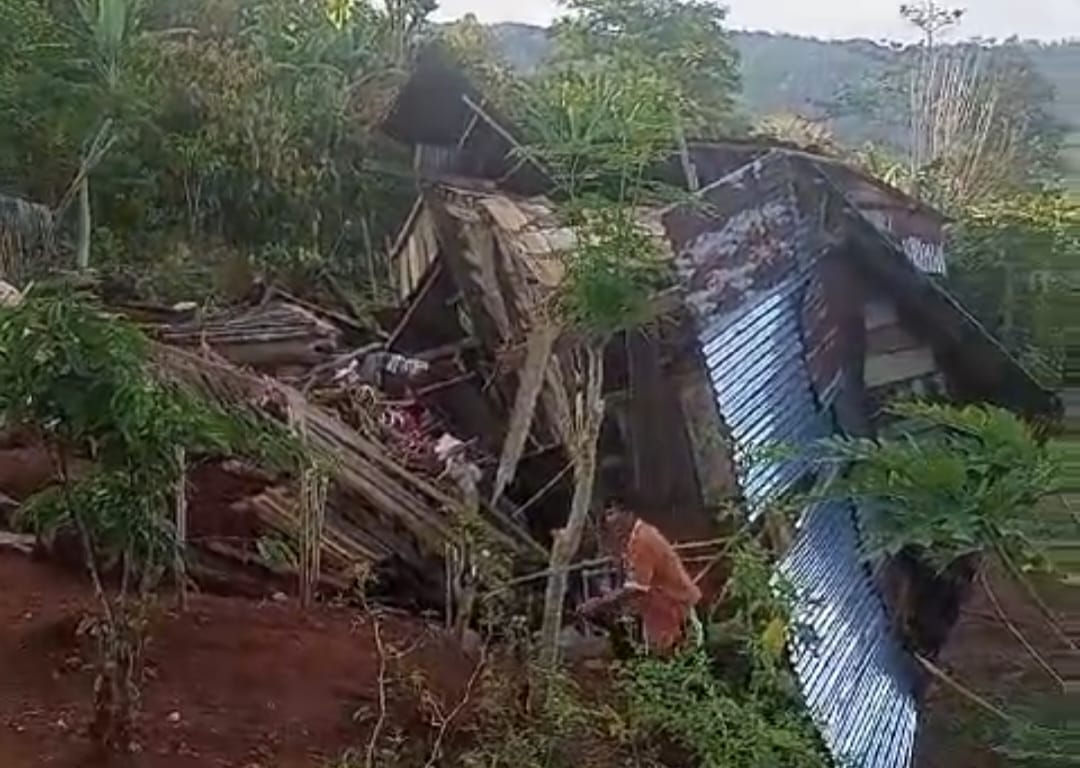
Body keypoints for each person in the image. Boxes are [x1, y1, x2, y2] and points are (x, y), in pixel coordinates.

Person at [577, 502, 703, 654]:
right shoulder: (631, 542)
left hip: (674, 611)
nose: (609, 521)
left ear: (629, 514)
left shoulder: (642, 541)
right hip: (660, 612)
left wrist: (600, 603)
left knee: (677, 662)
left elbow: (635, 589)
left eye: (612, 513)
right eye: (606, 516)